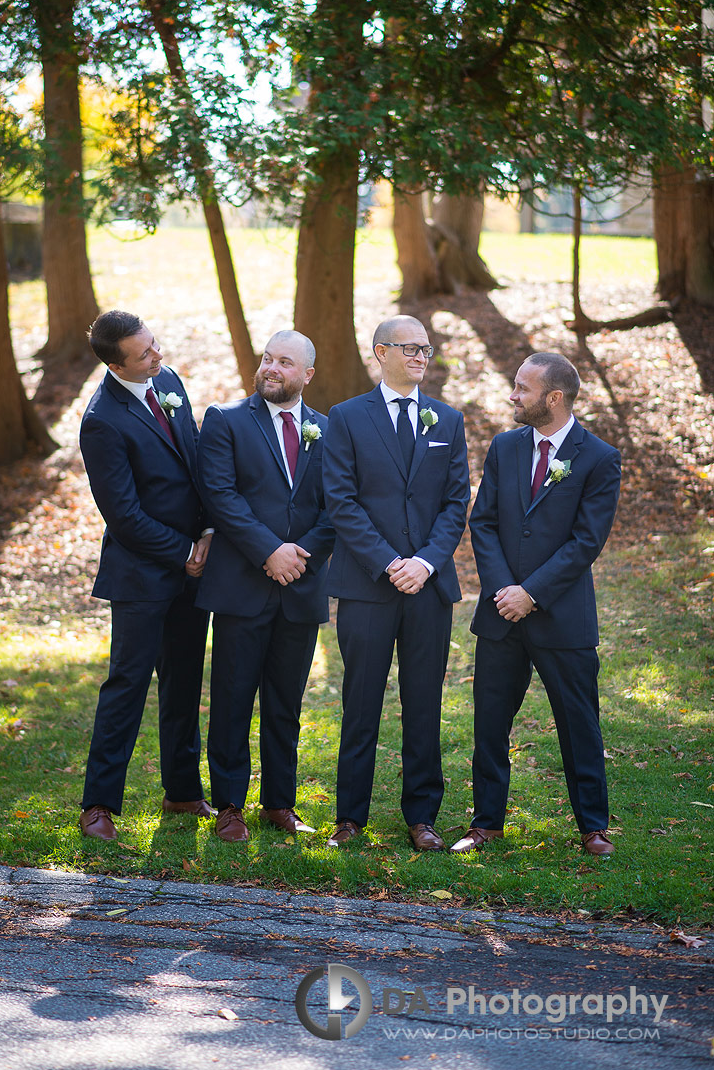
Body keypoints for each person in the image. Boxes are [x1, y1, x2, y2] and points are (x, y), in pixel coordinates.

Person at [452, 352, 621, 857]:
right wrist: (506, 591)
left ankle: (592, 825)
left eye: (522, 388)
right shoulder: (504, 448)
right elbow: (482, 522)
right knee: (489, 724)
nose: (512, 395)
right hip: (502, 615)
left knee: (578, 724)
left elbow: (586, 542)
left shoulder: (598, 457)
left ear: (554, 398)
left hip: (562, 617)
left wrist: (533, 593)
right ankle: (486, 823)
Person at [322, 315, 469, 851]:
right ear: (380, 352)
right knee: (360, 702)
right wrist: (390, 563)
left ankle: (422, 816)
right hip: (367, 585)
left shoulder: (447, 420)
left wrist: (425, 563)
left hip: (428, 587)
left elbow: (456, 503)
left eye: (427, 350)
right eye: (410, 348)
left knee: (424, 701)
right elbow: (341, 501)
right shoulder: (346, 417)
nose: (421, 357)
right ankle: (350, 816)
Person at [77, 310, 214, 841]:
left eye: (155, 345)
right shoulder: (102, 421)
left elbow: (196, 460)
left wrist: (207, 534)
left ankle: (182, 791)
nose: (158, 357)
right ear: (116, 365)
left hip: (192, 567)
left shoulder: (169, 380)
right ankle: (98, 805)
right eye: (144, 354)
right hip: (140, 575)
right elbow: (124, 515)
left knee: (183, 680)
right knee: (127, 685)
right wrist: (183, 549)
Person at [196, 330, 334, 842]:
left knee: (285, 704)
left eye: (285, 362)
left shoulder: (328, 429)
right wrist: (268, 552)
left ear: (307, 375)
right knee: (232, 699)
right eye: (268, 359)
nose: (272, 368)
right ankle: (230, 805)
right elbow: (220, 494)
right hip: (241, 586)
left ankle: (280, 803)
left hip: (300, 585)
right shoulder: (226, 421)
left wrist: (300, 556)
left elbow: (336, 504)